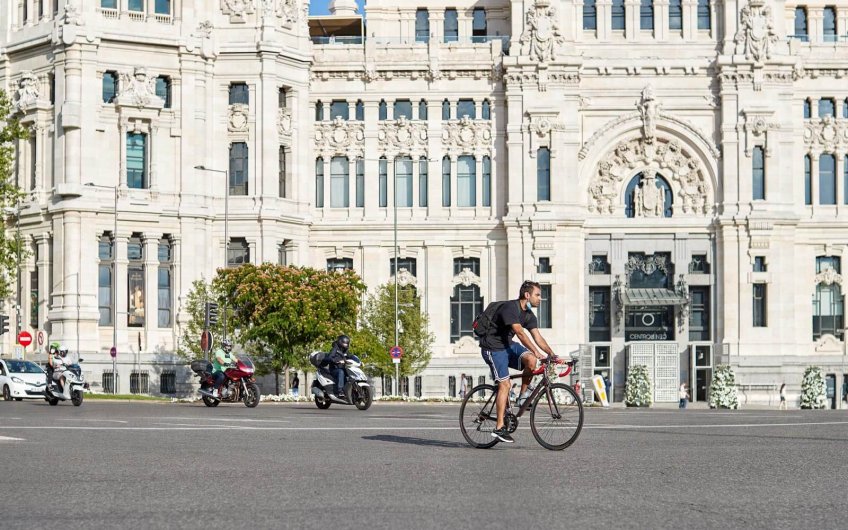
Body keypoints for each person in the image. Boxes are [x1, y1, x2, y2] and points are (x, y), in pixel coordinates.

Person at [479, 280, 555, 443]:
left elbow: (537, 337)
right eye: (537, 295)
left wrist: (551, 354)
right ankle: (499, 428)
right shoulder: (510, 308)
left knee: (531, 360)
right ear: (527, 295)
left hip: (507, 345)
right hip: (492, 347)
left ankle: (522, 396)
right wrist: (535, 350)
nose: (540, 299)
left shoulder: (529, 315)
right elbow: (520, 333)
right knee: (504, 385)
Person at [324, 335, 351, 400]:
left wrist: (358, 360)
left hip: (343, 368)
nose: (346, 344)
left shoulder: (345, 350)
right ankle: (340, 391)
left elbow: (350, 356)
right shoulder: (335, 349)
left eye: (347, 343)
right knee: (341, 372)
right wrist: (337, 361)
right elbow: (329, 358)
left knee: (350, 373)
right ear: (340, 342)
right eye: (344, 343)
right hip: (334, 369)